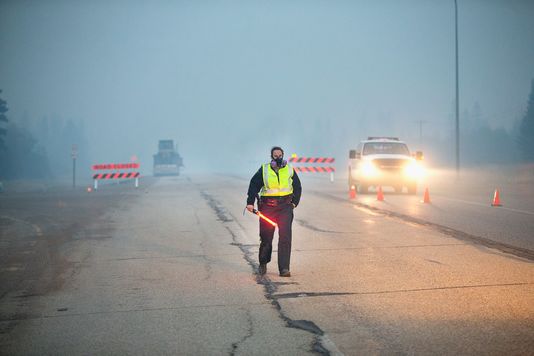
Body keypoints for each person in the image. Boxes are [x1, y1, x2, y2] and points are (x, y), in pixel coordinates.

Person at [246, 146, 302, 277]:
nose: (278, 158)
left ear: (283, 155)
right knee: (266, 237)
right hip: (267, 207)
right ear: (271, 157)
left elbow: (297, 187)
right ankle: (263, 262)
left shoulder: (289, 169)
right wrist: (250, 202)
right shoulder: (264, 169)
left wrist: (294, 203)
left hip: (285, 207)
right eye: (275, 156)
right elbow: (254, 184)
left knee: (285, 237)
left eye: (280, 155)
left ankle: (284, 268)